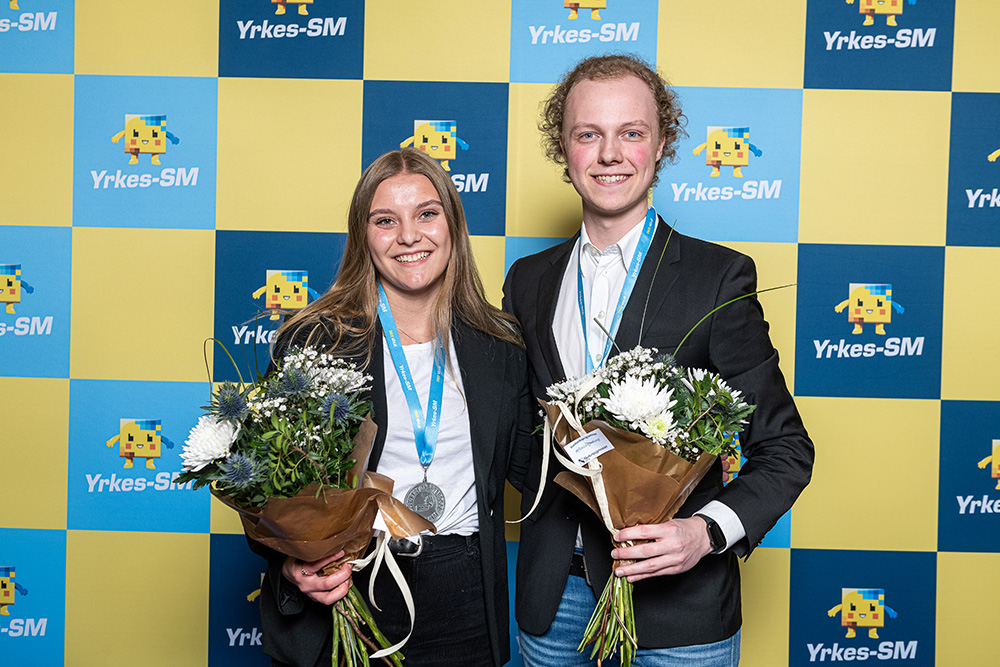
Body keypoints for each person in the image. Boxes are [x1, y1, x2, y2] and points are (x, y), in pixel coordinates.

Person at [502, 54, 814, 665]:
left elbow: (785, 449)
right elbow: (519, 440)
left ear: (662, 143)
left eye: (631, 133)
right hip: (550, 600)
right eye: (588, 133)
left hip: (679, 610)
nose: (609, 153)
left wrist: (704, 533)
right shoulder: (527, 280)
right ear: (563, 150)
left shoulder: (717, 277)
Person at [253, 147, 533, 667]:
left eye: (427, 214)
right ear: (364, 236)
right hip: (350, 588)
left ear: (453, 225)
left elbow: (535, 469)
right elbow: (268, 486)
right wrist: (292, 564)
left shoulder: (501, 344)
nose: (409, 236)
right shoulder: (316, 340)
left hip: (465, 598)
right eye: (386, 220)